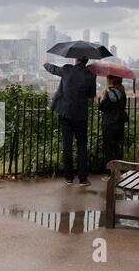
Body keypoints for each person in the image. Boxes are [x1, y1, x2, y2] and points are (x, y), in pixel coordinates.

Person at [43, 57, 96, 186]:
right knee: (82, 146)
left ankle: (69, 177)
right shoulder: (91, 75)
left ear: (76, 59)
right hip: (80, 114)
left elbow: (54, 69)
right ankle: (83, 178)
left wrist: (45, 63)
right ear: (86, 60)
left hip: (65, 112)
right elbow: (91, 94)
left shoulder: (67, 69)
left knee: (67, 145)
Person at [98, 75, 127, 180]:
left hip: (109, 124)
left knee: (109, 149)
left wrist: (101, 97)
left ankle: (111, 175)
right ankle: (118, 173)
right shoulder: (123, 93)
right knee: (117, 148)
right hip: (119, 124)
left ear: (110, 81)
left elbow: (101, 107)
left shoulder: (108, 93)